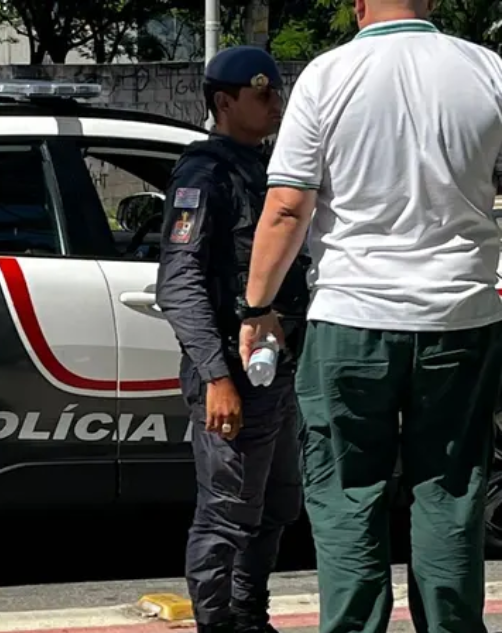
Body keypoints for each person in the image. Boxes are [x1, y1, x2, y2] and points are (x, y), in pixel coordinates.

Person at [239, 2, 502, 632]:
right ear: (432, 1)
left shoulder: (329, 75)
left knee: (348, 493)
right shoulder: (487, 69)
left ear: (357, 3)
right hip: (461, 313)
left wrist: (257, 308)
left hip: (351, 315)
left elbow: (286, 208)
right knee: (450, 490)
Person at [156, 46, 313, 633]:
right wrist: (218, 378)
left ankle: (249, 617)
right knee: (226, 518)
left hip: (278, 370)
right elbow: (179, 281)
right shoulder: (205, 174)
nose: (276, 103)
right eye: (261, 93)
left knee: (275, 508)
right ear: (224, 102)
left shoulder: (266, 167)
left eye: (277, 90)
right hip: (232, 371)